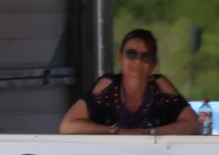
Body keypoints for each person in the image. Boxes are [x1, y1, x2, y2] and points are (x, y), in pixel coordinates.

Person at [59, 29, 200, 135]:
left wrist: (150, 133)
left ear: (153, 64)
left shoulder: (160, 86)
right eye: (131, 54)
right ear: (120, 57)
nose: (137, 61)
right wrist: (115, 132)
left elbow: (194, 125)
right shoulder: (108, 86)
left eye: (145, 57)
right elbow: (67, 126)